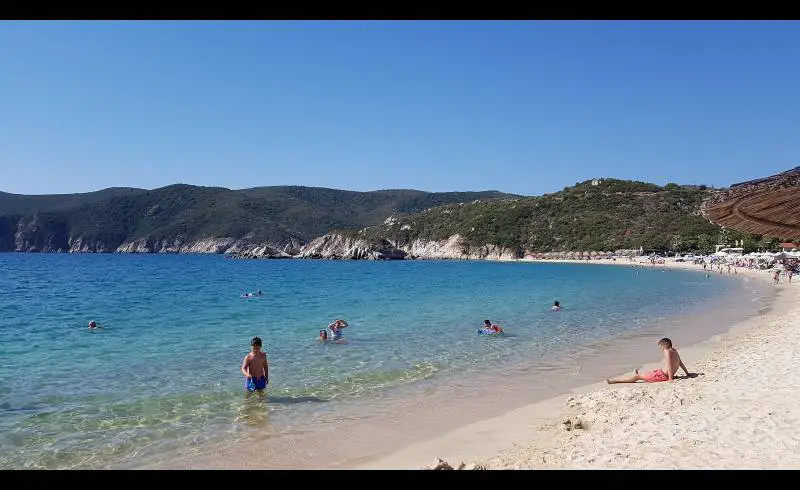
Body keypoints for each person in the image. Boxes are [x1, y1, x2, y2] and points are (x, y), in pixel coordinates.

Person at [606, 337, 690, 384]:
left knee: (636, 377)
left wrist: (670, 378)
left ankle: (614, 381)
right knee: (647, 373)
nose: (660, 349)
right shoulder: (674, 350)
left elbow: (669, 365)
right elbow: (680, 363)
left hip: (663, 375)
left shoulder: (667, 351)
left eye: (660, 347)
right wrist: (687, 373)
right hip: (661, 373)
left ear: (664, 346)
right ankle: (637, 374)